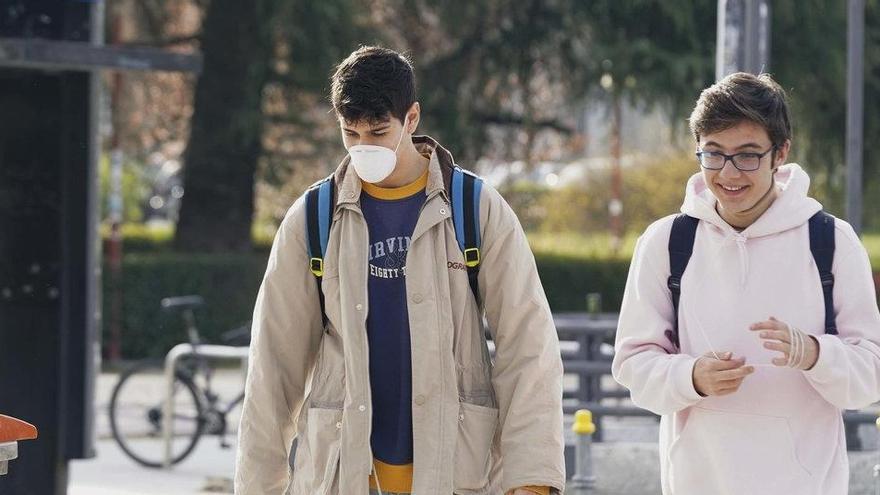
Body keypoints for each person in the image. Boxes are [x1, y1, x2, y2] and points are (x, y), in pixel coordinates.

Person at [234, 46, 565, 495]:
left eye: (378, 131)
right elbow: (273, 366)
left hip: (455, 473)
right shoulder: (313, 217)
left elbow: (528, 345)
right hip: (341, 473)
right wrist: (259, 486)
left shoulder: (475, 208)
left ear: (411, 118)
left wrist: (532, 478)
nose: (363, 147)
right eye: (350, 133)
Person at [612, 72, 880, 495]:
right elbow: (632, 367)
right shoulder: (666, 242)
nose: (729, 173)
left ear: (781, 152)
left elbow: (870, 379)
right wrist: (692, 377)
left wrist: (813, 353)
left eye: (748, 155)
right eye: (714, 154)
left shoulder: (831, 241)